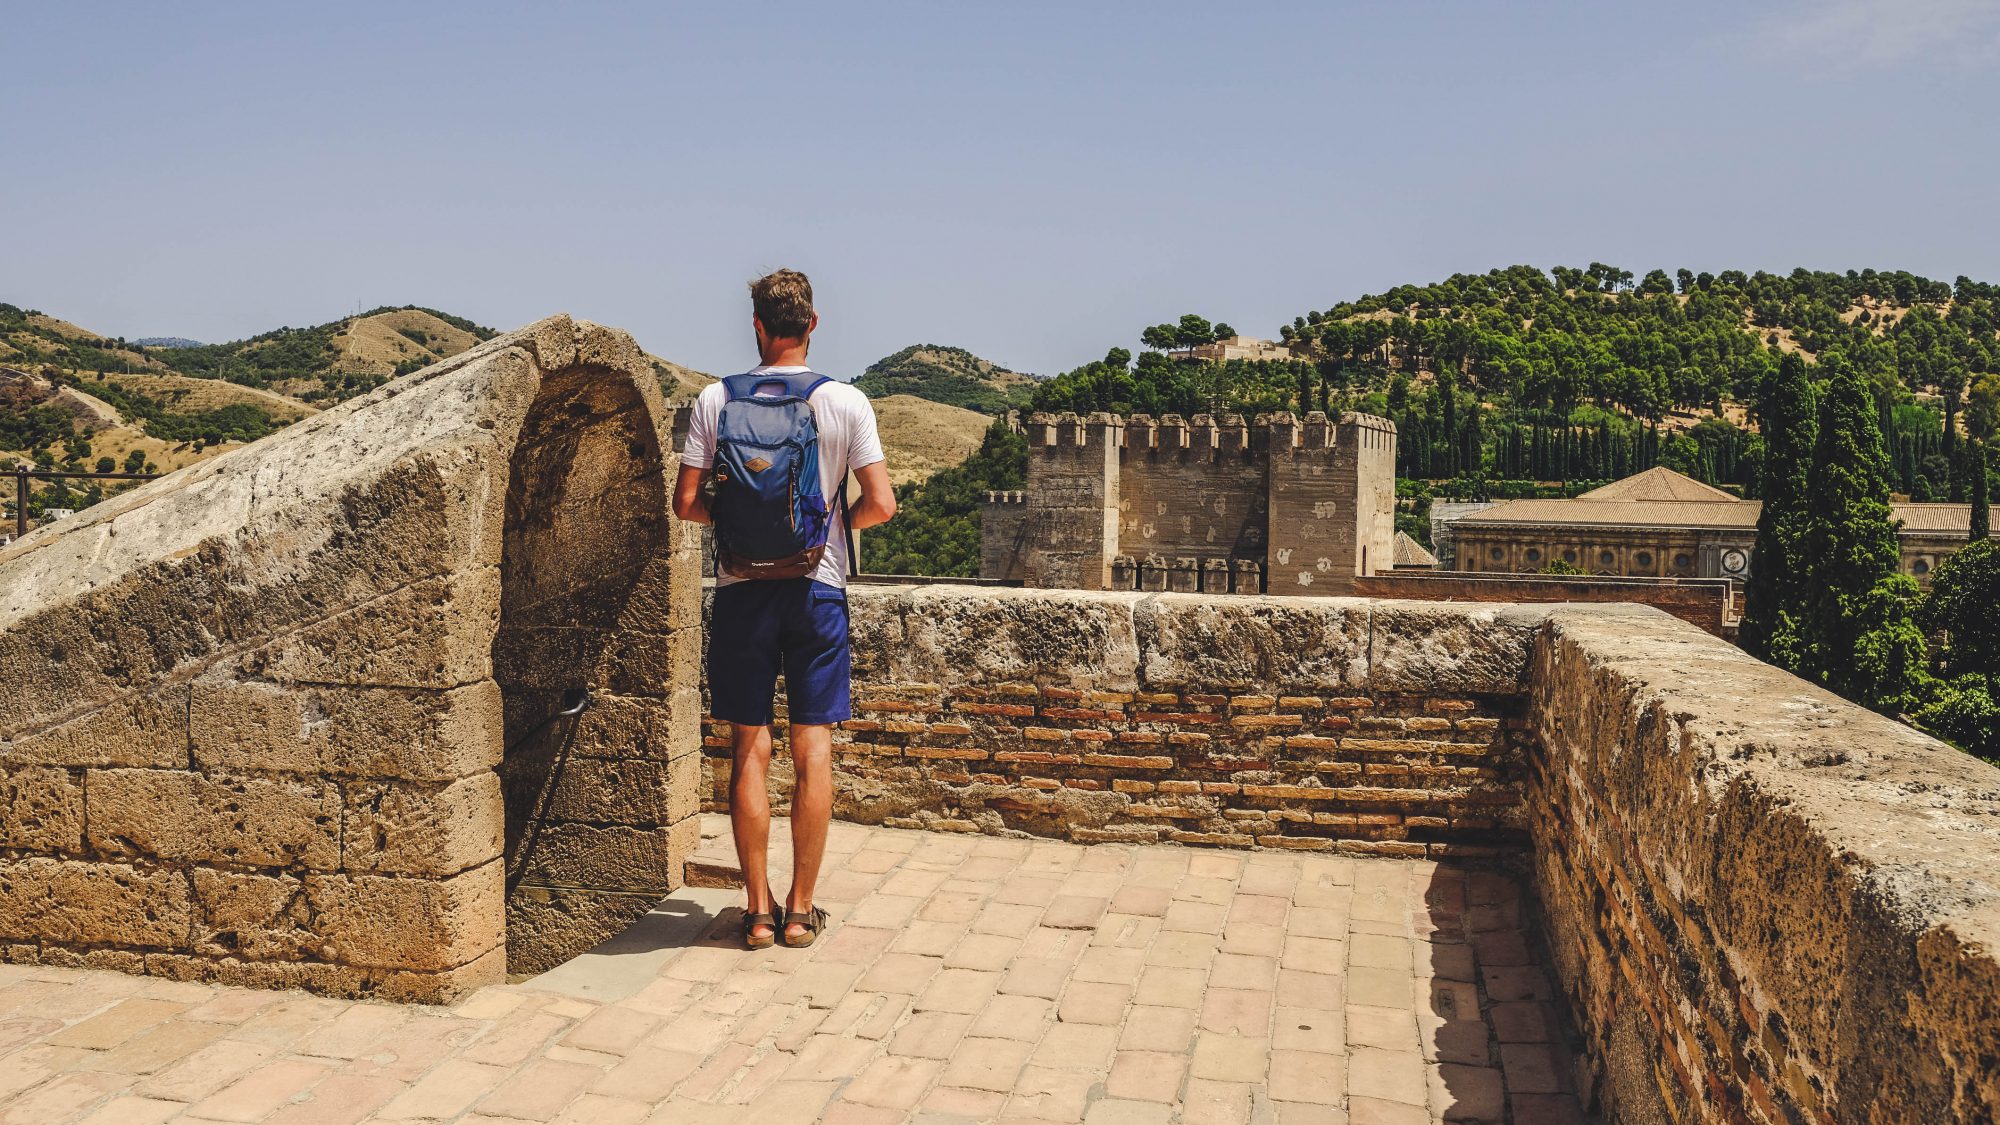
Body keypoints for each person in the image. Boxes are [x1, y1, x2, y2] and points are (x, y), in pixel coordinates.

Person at [673, 269, 896, 949]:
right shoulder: (847, 403)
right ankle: (801, 910)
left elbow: (685, 502)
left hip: (742, 593)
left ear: (759, 329)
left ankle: (758, 913)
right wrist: (827, 530)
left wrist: (742, 534)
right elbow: (882, 504)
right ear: (814, 324)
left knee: (750, 746)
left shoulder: (714, 401)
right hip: (817, 590)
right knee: (812, 747)